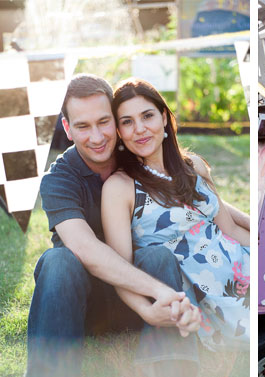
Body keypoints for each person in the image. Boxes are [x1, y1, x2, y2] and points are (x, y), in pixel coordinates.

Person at [29, 74, 201, 377]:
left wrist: (249, 224)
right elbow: (86, 249)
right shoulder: (59, 179)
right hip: (83, 307)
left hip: (138, 302)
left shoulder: (138, 156)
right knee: (57, 260)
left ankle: (171, 367)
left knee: (158, 256)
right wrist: (160, 292)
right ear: (67, 129)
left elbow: (197, 197)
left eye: (103, 122)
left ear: (117, 120)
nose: (96, 137)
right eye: (82, 126)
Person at [101, 77, 251, 351]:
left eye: (147, 116)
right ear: (119, 132)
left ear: (164, 119)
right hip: (208, 295)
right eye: (127, 122)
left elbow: (230, 230)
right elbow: (121, 269)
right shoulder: (120, 188)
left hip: (244, 266)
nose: (140, 129)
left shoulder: (194, 166)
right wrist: (148, 310)